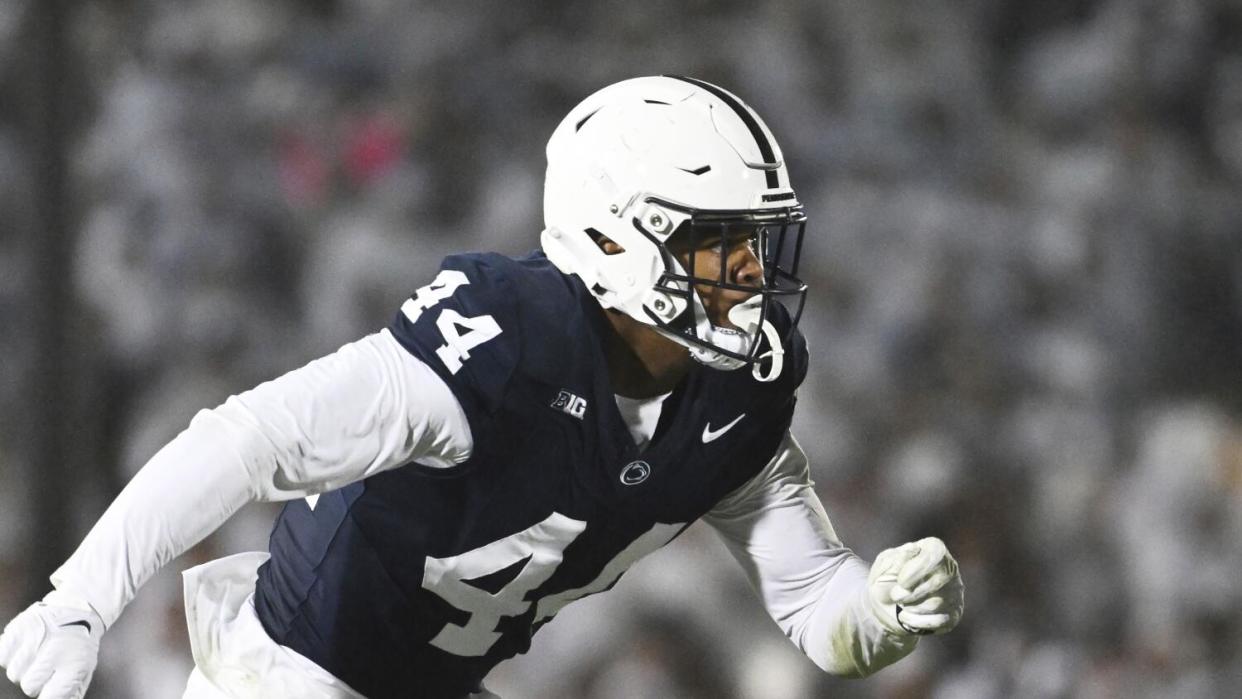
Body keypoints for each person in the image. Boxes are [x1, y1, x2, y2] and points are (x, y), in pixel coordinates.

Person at [0, 76, 964, 699]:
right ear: (614, 239)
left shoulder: (738, 399)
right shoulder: (501, 342)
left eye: (751, 243)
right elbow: (244, 439)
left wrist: (883, 610)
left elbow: (820, 615)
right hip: (292, 669)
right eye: (715, 245)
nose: (749, 276)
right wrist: (80, 599)